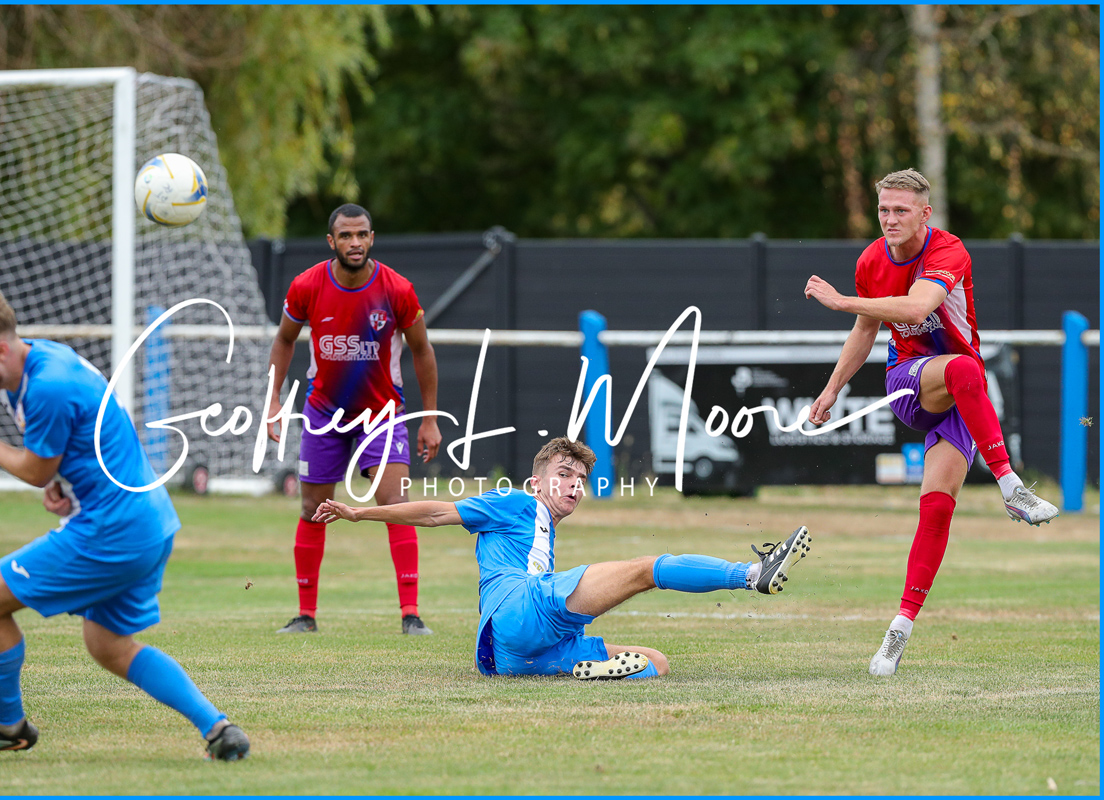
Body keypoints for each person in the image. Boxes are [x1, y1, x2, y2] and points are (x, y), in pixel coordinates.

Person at [0, 282, 249, 760]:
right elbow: (79, 439)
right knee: (108, 644)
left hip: (112, 530)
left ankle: (8, 727)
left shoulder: (46, 386)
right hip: (149, 521)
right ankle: (219, 731)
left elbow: (35, 469)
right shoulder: (37, 364)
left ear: (0, 350)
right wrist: (65, 482)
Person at [804, 168, 1058, 678]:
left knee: (937, 509)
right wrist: (831, 390)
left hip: (960, 397)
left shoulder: (949, 250)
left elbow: (919, 304)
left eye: (900, 210)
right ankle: (1011, 486)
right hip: (909, 384)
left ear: (926, 213)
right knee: (965, 369)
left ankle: (898, 631)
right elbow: (865, 330)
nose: (890, 219)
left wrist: (841, 300)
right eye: (883, 209)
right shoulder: (871, 260)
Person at [312, 437, 812, 679]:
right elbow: (436, 512)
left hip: (514, 655)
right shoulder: (517, 501)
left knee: (657, 663)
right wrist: (360, 512)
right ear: (537, 482)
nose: (574, 484)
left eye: (580, 479)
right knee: (646, 569)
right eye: (564, 473)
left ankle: (577, 670)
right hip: (519, 606)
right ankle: (752, 573)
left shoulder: (541, 531)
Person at [265, 203, 442, 636]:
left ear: (372, 238)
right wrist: (272, 401)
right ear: (332, 241)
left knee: (396, 505)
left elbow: (422, 351)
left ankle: (411, 615)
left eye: (362, 234)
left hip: (382, 414)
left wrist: (429, 419)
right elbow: (284, 340)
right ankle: (305, 616)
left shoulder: (397, 289)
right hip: (324, 413)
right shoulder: (306, 285)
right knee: (313, 509)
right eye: (346, 235)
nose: (355, 242)